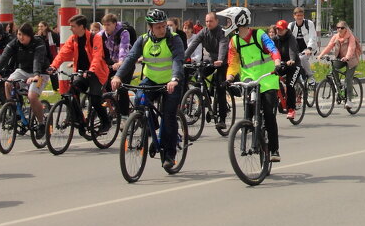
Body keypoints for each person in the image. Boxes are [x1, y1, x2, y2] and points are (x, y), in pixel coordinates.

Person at [110, 9, 185, 171]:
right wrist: (118, 76)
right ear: (150, 27)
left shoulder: (174, 39)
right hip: (151, 79)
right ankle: (152, 127)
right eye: (158, 27)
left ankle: (170, 155)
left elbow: (178, 61)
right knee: (138, 99)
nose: (162, 29)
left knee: (169, 115)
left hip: (171, 82)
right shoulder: (143, 40)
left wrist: (175, 79)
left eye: (164, 26)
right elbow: (130, 58)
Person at [219, 6, 284, 162]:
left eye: (229, 21)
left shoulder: (259, 35)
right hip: (249, 79)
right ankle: (249, 125)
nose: (227, 24)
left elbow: (273, 49)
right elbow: (233, 63)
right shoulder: (234, 41)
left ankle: (274, 150)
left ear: (239, 21)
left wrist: (277, 62)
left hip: (267, 79)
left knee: (269, 113)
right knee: (249, 106)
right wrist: (229, 77)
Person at [49, 14, 112, 133]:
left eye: (73, 26)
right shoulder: (74, 38)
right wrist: (53, 66)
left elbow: (97, 57)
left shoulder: (95, 38)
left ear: (81, 27)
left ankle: (106, 122)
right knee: (71, 92)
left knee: (94, 99)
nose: (70, 28)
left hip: (96, 73)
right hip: (81, 73)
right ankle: (80, 120)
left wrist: (91, 70)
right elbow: (63, 53)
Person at [0, 23, 51, 128]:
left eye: (23, 35)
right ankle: (15, 113)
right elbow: (4, 56)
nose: (20, 37)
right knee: (8, 84)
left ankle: (42, 123)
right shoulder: (15, 42)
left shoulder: (38, 43)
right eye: (18, 34)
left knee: (32, 97)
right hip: (23, 70)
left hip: (40, 73)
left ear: (30, 35)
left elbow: (38, 60)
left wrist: (36, 75)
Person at [184, 12, 230, 122]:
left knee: (220, 87)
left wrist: (220, 59)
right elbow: (193, 44)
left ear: (217, 21)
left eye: (211, 21)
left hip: (223, 62)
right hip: (211, 60)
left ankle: (222, 118)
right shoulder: (204, 32)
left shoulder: (222, 32)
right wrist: (183, 58)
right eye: (207, 21)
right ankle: (207, 100)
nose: (208, 23)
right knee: (198, 77)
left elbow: (223, 45)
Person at [319, 20, 362, 101]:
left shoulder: (350, 37)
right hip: (341, 59)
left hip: (351, 60)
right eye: (338, 28)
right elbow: (329, 46)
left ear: (345, 29)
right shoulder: (335, 37)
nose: (339, 29)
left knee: (348, 79)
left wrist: (347, 57)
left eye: (341, 28)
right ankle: (339, 87)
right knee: (333, 67)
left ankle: (349, 100)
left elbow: (351, 48)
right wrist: (321, 55)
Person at [270, 20, 301, 119]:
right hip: (281, 64)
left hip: (293, 66)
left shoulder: (291, 38)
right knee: (272, 79)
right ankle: (280, 99)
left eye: (281, 29)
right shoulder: (275, 39)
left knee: (290, 85)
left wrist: (291, 59)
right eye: (277, 29)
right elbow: (269, 49)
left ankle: (291, 109)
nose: (279, 31)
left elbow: (292, 49)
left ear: (286, 29)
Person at [288, 6, 318, 91]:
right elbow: (287, 38)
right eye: (298, 15)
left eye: (301, 15)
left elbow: (313, 37)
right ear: (294, 16)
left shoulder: (309, 23)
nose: (299, 17)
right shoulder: (291, 25)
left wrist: (309, 48)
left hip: (308, 47)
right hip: (296, 48)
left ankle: (310, 77)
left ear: (303, 16)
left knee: (302, 58)